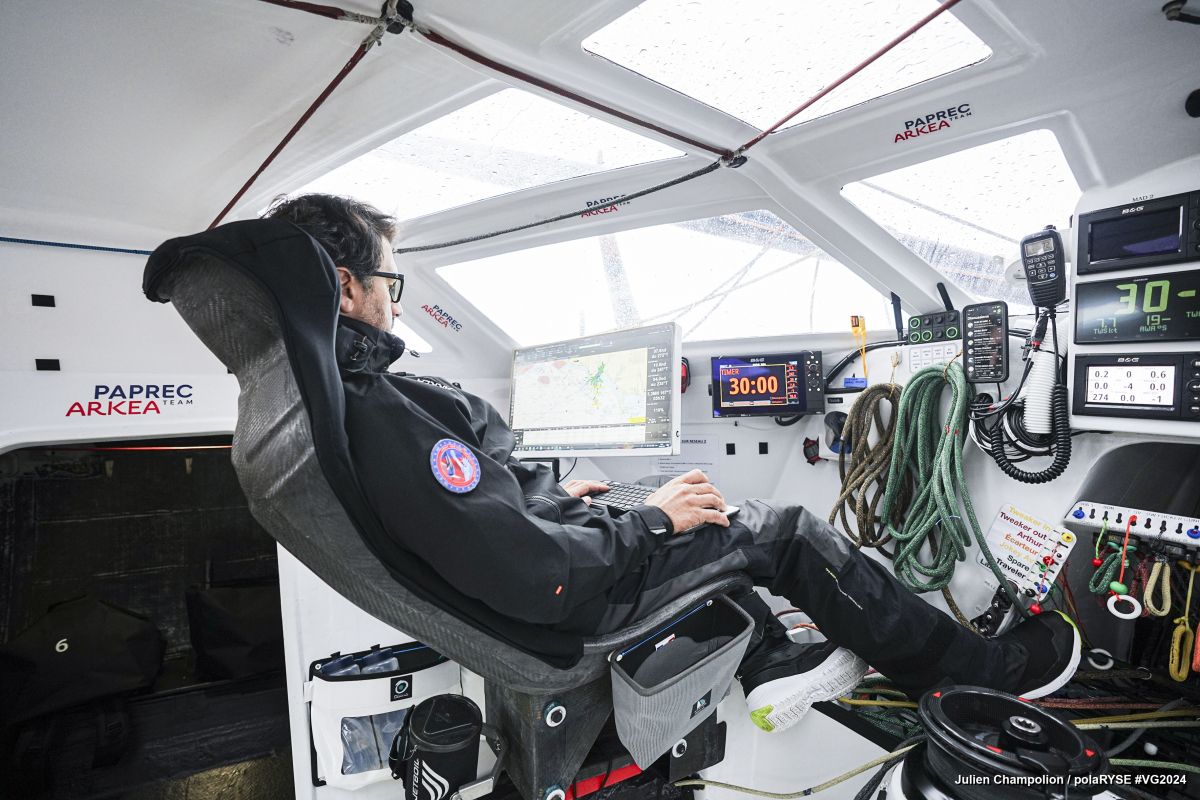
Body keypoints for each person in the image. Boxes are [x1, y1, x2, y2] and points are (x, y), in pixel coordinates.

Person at [262, 194, 1081, 733]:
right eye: (389, 280)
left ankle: (771, 660)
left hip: (544, 577)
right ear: (343, 288)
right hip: (569, 603)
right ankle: (984, 674)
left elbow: (480, 524)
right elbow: (536, 573)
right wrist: (650, 521)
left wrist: (566, 504)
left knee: (701, 515)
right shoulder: (383, 410)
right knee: (777, 528)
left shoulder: (338, 401)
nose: (396, 300)